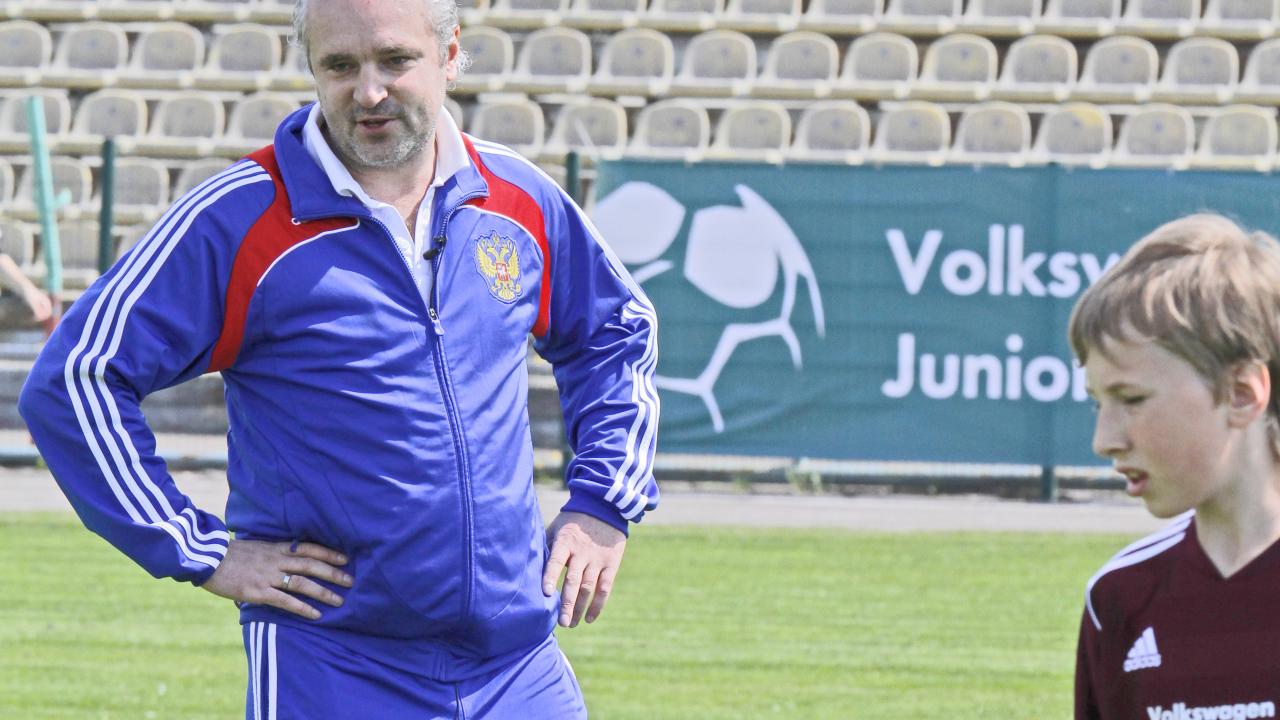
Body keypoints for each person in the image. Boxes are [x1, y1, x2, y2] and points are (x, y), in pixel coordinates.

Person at [18, 0, 660, 716]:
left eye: (395, 60)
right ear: (312, 69)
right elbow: (74, 379)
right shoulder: (241, 219)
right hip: (333, 661)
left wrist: (603, 503)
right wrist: (198, 549)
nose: (369, 91)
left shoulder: (516, 199)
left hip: (517, 663)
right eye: (341, 66)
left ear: (450, 55)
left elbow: (616, 330)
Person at [1069, 213, 1280, 719]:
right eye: (1098, 403)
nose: (1104, 441)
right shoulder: (1119, 599)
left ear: (1241, 393)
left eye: (1132, 399)